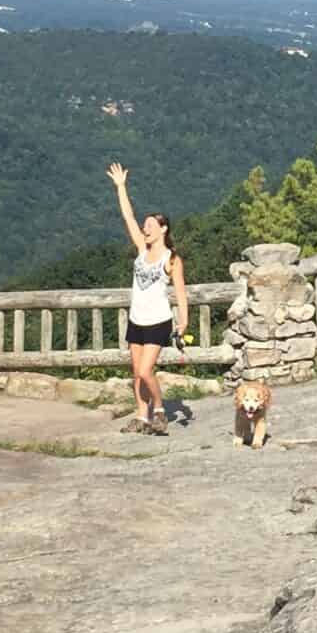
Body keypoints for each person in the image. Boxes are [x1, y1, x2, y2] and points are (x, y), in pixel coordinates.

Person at [106, 162, 187, 434]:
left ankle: (160, 410)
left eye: (151, 225)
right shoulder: (141, 249)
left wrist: (183, 323)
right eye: (145, 225)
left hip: (158, 321)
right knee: (136, 373)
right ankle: (142, 417)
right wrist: (121, 187)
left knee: (144, 371)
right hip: (136, 319)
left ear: (163, 229)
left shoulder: (171, 259)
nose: (145, 228)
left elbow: (181, 293)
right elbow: (128, 217)